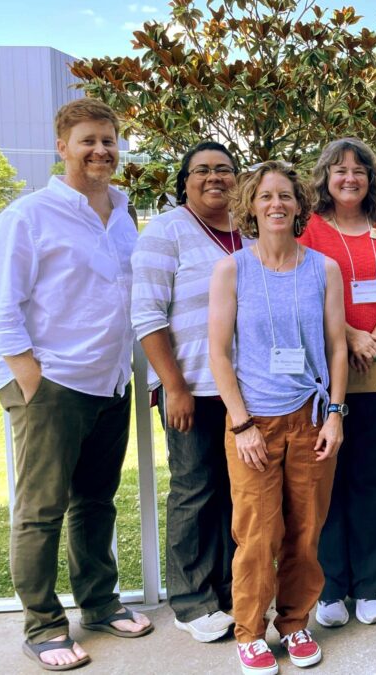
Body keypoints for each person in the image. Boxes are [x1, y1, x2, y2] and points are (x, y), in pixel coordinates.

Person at [0, 97, 153, 671]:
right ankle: (44, 625)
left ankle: (100, 605)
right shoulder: (28, 217)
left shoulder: (123, 213)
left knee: (95, 503)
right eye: (87, 141)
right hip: (52, 386)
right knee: (39, 510)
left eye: (108, 140)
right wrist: (33, 379)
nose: (101, 150)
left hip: (108, 383)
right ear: (62, 147)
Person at [208, 161, 347, 675]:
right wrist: (241, 423)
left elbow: (336, 347)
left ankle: (295, 623)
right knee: (257, 533)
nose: (275, 204)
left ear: (299, 205)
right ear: (251, 206)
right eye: (265, 196)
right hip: (254, 424)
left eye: (285, 195)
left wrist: (335, 413)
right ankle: (250, 630)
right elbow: (219, 353)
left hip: (311, 417)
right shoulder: (232, 269)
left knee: (306, 530)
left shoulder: (322, 268)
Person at [299, 138, 376, 627]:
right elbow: (304, 287)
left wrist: (373, 338)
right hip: (324, 371)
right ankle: (331, 587)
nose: (349, 178)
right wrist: (349, 335)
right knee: (327, 475)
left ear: (371, 178)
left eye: (359, 170)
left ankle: (370, 584)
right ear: (324, 177)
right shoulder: (307, 227)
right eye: (339, 170)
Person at [132, 141, 240, 643]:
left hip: (247, 391)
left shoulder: (248, 231)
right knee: (195, 491)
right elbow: (148, 316)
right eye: (202, 171)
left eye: (223, 169)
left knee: (239, 494)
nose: (214, 178)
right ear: (185, 180)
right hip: (193, 387)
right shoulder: (167, 231)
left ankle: (230, 590)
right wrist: (172, 385)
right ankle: (193, 602)